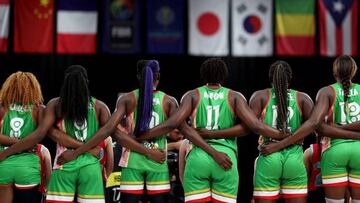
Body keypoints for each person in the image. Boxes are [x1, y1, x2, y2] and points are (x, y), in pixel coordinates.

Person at [57, 59, 233, 203]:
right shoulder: (169, 101)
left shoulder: (127, 99)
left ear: (138, 76)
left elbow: (113, 131)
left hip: (132, 161)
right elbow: (183, 130)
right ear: (158, 76)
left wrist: (77, 151)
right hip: (158, 160)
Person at [0, 65, 165, 203]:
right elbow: (117, 136)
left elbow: (47, 133)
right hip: (91, 168)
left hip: (63, 165)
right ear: (87, 82)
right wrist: (88, 149)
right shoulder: (100, 107)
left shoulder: (55, 105)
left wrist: (75, 152)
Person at [136, 58, 286, 203]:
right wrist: (283, 135)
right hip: (226, 159)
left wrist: (143, 135)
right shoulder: (234, 96)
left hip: (198, 157)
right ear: (224, 75)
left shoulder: (192, 95)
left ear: (203, 75)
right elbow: (251, 126)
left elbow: (174, 123)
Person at [260, 55, 360, 203]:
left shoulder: (326, 91)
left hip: (334, 151)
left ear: (334, 72)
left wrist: (338, 128)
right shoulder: (303, 97)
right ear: (354, 71)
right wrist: (354, 135)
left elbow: (316, 125)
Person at [249, 61, 313, 203]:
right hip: (295, 158)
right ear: (290, 77)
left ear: (270, 77)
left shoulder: (259, 96)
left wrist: (276, 142)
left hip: (268, 155)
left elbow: (251, 126)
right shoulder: (303, 98)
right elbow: (315, 127)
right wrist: (294, 137)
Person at [0, 71, 45, 203]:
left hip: (3, 164)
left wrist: (13, 144)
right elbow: (42, 134)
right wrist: (26, 144)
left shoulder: (2, 108)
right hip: (28, 166)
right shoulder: (39, 109)